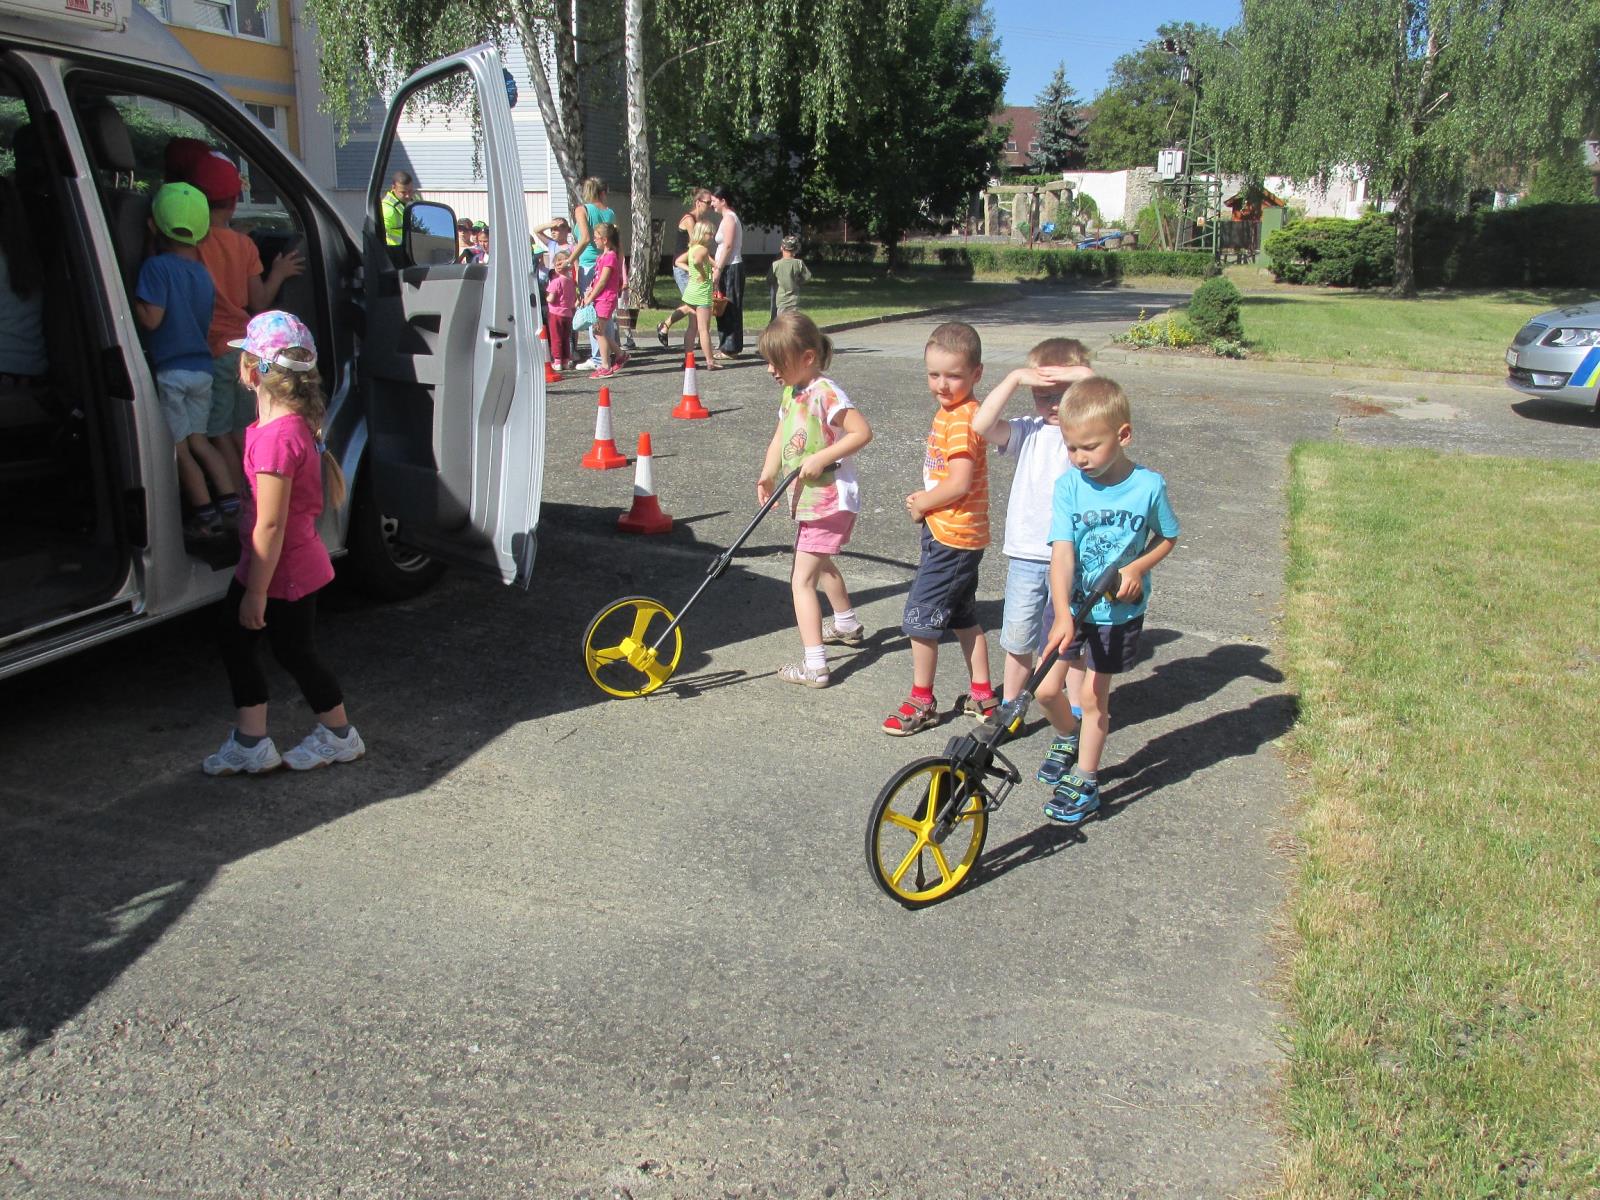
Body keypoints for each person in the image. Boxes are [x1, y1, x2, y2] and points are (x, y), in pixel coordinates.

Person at [203, 311, 365, 776]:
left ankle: (336, 736)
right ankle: (255, 740)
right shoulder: (292, 427)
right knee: (248, 643)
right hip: (282, 565)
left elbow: (270, 526)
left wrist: (256, 591)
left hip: (278, 570)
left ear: (253, 371)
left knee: (290, 650)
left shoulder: (277, 439)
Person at [1033, 376, 1179, 824]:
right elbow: (1061, 554)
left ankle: (1086, 779)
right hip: (1070, 609)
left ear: (1123, 435)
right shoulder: (1069, 487)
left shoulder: (1149, 487)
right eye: (1071, 447)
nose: (1080, 458)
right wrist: (1061, 612)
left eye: (1089, 448)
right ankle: (1067, 735)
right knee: (1044, 689)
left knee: (1095, 697)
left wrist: (1137, 568)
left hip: (1116, 616)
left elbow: (1167, 536)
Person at [970, 337, 1095, 708]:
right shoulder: (1028, 430)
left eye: (1064, 393)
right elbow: (981, 424)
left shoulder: (1087, 436)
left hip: (1073, 557)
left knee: (1068, 642)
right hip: (1026, 555)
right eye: (1043, 395)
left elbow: (1108, 401)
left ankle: (1074, 710)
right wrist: (1014, 378)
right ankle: (1011, 703)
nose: (1053, 404)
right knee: (1018, 637)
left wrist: (1084, 375)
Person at [883, 321, 994, 735]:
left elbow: (961, 481)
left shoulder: (962, 420)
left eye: (954, 375)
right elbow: (950, 476)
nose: (942, 384)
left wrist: (924, 504)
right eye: (934, 374)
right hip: (956, 533)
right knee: (964, 617)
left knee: (920, 620)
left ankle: (922, 700)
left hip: (951, 536)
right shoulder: (956, 411)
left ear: (977, 374)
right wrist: (929, 496)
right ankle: (982, 694)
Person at [755, 313, 873, 688]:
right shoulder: (792, 392)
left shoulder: (826, 392)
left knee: (800, 581)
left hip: (829, 500)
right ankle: (846, 623)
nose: (771, 369)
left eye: (778, 361)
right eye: (768, 361)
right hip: (811, 501)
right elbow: (780, 436)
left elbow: (861, 431)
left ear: (807, 357)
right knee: (820, 564)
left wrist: (822, 457)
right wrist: (767, 473)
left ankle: (816, 666)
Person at [188, 152, 304, 494]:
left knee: (217, 433)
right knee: (243, 428)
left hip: (209, 350)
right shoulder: (244, 245)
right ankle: (255, 489)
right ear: (234, 202)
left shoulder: (191, 244)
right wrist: (279, 272)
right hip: (241, 351)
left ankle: (238, 493)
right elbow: (260, 303)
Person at [133, 182, 237, 540]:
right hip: (202, 369)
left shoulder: (155, 269)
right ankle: (232, 505)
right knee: (201, 442)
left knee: (179, 449)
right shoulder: (202, 275)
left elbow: (152, 319)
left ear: (154, 225)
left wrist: (130, 302)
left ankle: (205, 518)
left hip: (172, 372)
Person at [570, 177, 616, 371]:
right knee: (605, 313)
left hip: (588, 263)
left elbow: (585, 238)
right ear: (603, 191)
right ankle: (608, 353)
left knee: (591, 311)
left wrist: (570, 259)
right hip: (605, 260)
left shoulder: (583, 210)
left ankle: (598, 358)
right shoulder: (609, 212)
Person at [658, 188, 712, 348]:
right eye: (707, 203)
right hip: (683, 267)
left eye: (710, 203)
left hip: (693, 266)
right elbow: (696, 245)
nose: (709, 206)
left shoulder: (700, 221)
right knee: (692, 305)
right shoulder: (689, 220)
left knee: (695, 305)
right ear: (698, 202)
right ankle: (666, 325)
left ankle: (694, 338)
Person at [667, 218, 719, 371]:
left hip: (691, 292)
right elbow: (697, 262)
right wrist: (702, 272)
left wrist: (690, 270)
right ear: (703, 234)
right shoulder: (702, 249)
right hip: (702, 292)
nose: (712, 237)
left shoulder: (693, 248)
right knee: (704, 329)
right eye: (710, 233)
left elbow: (678, 262)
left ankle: (688, 358)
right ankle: (710, 361)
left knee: (692, 327)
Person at [579, 221, 625, 378]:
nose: (594, 240)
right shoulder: (601, 257)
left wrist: (591, 296)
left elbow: (604, 281)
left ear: (605, 239)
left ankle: (605, 365)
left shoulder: (610, 257)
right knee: (600, 331)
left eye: (596, 237)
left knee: (598, 331)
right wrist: (589, 293)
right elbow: (596, 279)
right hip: (599, 298)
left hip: (606, 298)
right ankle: (620, 354)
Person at [709, 186, 744, 359]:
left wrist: (719, 268)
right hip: (725, 267)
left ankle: (731, 347)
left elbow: (728, 245)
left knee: (730, 306)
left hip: (731, 267)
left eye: (714, 200)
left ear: (723, 201)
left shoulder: (730, 218)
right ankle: (725, 344)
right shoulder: (725, 218)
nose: (712, 204)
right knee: (722, 306)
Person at [545, 251, 576, 371]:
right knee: (565, 337)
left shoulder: (555, 282)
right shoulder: (570, 282)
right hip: (567, 314)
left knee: (556, 337)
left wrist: (546, 297)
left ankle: (557, 360)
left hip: (555, 313)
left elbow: (551, 299)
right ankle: (565, 360)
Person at [767, 235, 812, 319]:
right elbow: (808, 276)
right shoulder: (799, 263)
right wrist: (798, 282)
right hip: (794, 301)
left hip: (781, 301)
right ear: (795, 250)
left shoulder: (776, 265)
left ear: (781, 248)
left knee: (781, 324)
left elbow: (769, 279)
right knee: (793, 323)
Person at [381, 171, 415, 249]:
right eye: (403, 192)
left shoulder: (414, 200)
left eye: (410, 191)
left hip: (410, 250)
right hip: (395, 253)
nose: (407, 195)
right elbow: (379, 238)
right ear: (393, 188)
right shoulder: (387, 210)